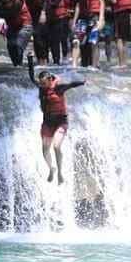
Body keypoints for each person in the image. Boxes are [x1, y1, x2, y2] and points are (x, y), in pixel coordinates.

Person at [28, 54, 85, 185]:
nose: (41, 85)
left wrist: (83, 82)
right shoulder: (41, 87)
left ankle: (60, 172)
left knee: (56, 146)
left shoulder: (58, 88)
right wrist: (30, 60)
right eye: (40, 83)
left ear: (49, 80)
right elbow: (31, 76)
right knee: (44, 149)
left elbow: (71, 84)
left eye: (44, 83)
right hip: (47, 122)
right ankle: (51, 169)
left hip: (61, 122)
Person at [71, 0, 105, 69]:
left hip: (94, 17)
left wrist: (101, 19)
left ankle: (94, 66)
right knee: (76, 41)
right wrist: (74, 21)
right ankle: (74, 66)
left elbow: (102, 3)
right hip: (82, 18)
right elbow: (78, 6)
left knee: (94, 42)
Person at [31, 0, 62, 66]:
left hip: (43, 13)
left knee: (39, 36)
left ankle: (43, 61)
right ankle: (41, 60)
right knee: (38, 37)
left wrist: (43, 12)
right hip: (36, 13)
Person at [0, 0, 34, 67]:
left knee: (18, 45)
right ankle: (16, 65)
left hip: (25, 25)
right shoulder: (2, 1)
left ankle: (19, 64)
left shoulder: (18, 0)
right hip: (12, 26)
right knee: (10, 46)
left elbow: (12, 13)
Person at [106, 0, 131, 69]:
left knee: (118, 39)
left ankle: (120, 64)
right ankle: (125, 63)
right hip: (127, 14)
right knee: (125, 40)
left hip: (119, 14)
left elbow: (114, 0)